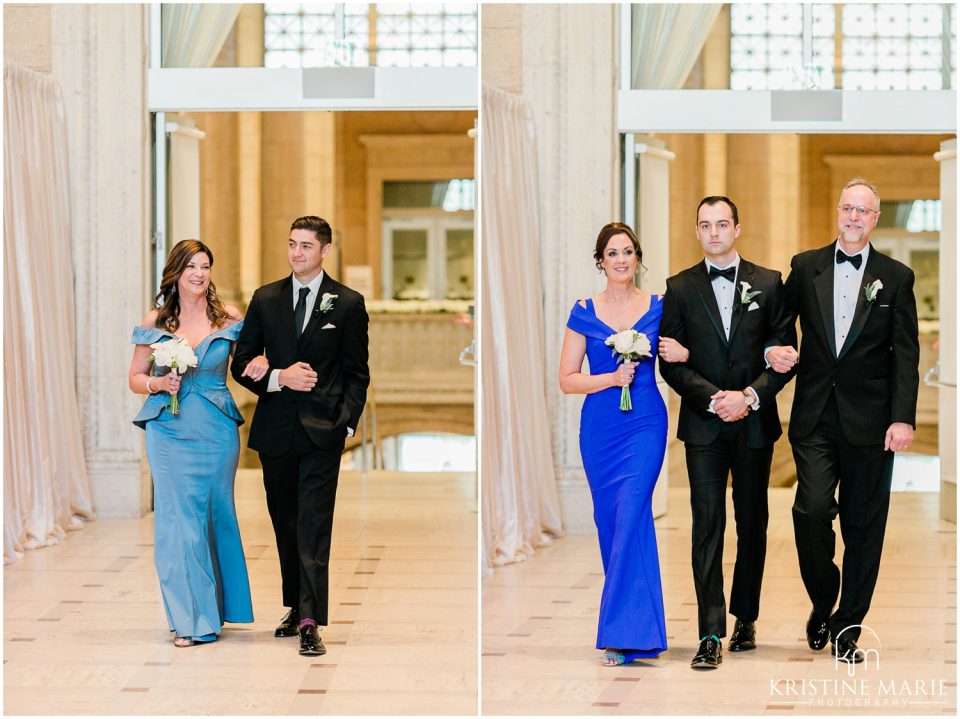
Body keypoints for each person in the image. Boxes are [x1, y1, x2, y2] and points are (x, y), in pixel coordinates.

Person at [766, 178, 919, 663]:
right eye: (847, 208)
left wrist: (902, 419)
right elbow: (777, 320)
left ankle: (847, 626)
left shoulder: (896, 277)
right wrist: (774, 346)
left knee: (863, 527)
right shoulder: (805, 265)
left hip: (872, 422)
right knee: (809, 511)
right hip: (814, 415)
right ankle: (822, 599)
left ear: (876, 219)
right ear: (838, 212)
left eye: (864, 211)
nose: (854, 217)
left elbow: (906, 356)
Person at [658, 196, 796, 670]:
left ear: (737, 228)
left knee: (752, 523)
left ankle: (746, 617)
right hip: (704, 426)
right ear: (697, 231)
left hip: (755, 422)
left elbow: (785, 354)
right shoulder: (678, 287)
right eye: (704, 225)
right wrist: (715, 398)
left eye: (722, 224)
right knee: (707, 525)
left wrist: (749, 397)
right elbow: (670, 360)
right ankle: (710, 632)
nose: (713, 232)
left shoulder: (770, 283)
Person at [231, 215, 370, 657]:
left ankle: (310, 619)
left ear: (325, 250)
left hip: (322, 434)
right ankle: (295, 605)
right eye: (292, 244)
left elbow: (357, 373)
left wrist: (345, 423)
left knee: (313, 525)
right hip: (275, 430)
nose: (296, 253)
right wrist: (277, 377)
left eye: (306, 246)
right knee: (285, 524)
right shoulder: (265, 298)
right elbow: (243, 362)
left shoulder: (347, 303)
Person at [559, 222, 688, 666]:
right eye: (612, 253)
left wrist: (682, 354)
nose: (620, 260)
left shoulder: (658, 307)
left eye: (628, 252)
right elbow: (567, 379)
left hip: (645, 423)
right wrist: (611, 379)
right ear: (601, 261)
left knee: (633, 509)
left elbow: (681, 351)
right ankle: (639, 630)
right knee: (612, 523)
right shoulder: (582, 310)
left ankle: (619, 633)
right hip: (600, 428)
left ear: (638, 258)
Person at [128, 239, 255, 647]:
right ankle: (190, 619)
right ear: (176, 273)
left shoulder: (228, 317)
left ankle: (213, 609)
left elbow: (251, 361)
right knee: (178, 524)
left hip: (217, 430)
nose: (199, 274)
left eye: (205, 266)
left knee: (215, 517)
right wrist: (159, 383)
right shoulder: (157, 321)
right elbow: (134, 377)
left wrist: (269, 365)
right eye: (192, 267)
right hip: (169, 429)